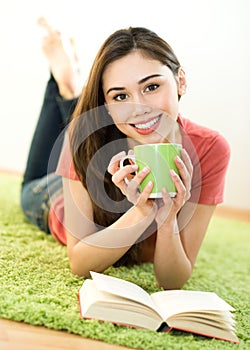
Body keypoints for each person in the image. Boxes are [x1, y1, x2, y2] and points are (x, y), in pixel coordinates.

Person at [21, 19, 230, 290]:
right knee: (38, 177)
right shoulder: (82, 136)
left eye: (152, 87)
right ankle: (65, 85)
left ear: (181, 81)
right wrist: (141, 211)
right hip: (52, 198)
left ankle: (71, 88)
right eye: (120, 97)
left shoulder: (210, 148)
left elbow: (172, 281)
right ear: (106, 106)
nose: (139, 108)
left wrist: (167, 220)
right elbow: (80, 263)